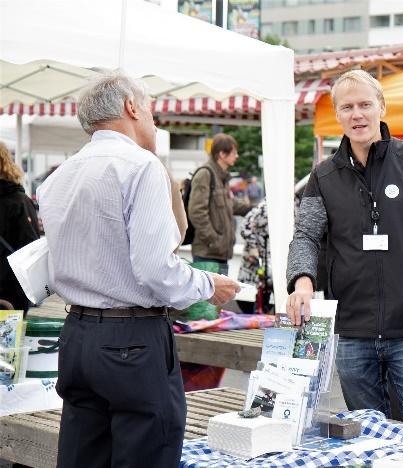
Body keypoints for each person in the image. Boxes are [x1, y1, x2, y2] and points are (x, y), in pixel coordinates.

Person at [36, 73, 240, 468]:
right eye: (148, 107)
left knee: (82, 456)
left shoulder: (59, 175)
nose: (153, 118)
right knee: (149, 452)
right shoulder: (140, 165)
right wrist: (206, 284)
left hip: (77, 333)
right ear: (131, 107)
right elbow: (155, 270)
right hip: (132, 337)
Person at [286, 69, 403, 429]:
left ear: (381, 107)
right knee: (369, 441)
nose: (357, 115)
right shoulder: (323, 176)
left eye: (365, 104)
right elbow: (305, 235)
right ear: (337, 114)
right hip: (352, 335)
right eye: (347, 107)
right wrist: (302, 281)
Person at [188, 133, 250, 276]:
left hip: (218, 253)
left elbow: (230, 204)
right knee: (208, 298)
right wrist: (214, 240)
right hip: (207, 253)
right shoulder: (205, 174)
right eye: (234, 152)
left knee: (219, 298)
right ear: (222, 154)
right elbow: (196, 212)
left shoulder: (221, 177)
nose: (237, 156)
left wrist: (252, 209)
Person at [0, 142, 40, 314]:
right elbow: (31, 250)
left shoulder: (18, 201)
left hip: (9, 294)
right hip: (12, 293)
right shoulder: (20, 202)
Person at [237, 199, 273, 313]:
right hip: (258, 258)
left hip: (267, 259)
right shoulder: (265, 207)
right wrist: (254, 247)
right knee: (257, 291)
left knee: (266, 291)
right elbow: (245, 227)